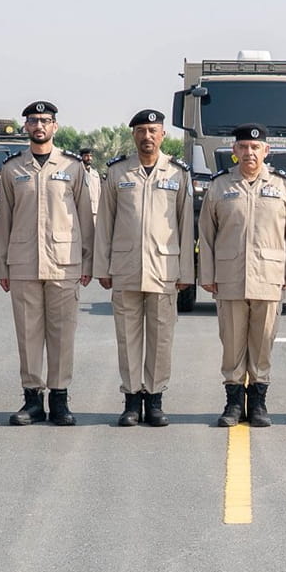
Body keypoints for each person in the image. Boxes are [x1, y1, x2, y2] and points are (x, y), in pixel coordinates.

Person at [198, 123, 286, 428]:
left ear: (266, 150)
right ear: (234, 150)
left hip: (269, 277)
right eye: (243, 147)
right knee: (232, 343)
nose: (249, 153)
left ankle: (258, 402)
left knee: (262, 342)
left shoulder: (284, 186)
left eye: (255, 147)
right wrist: (207, 274)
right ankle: (233, 403)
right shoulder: (219, 186)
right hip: (230, 276)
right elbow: (206, 234)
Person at [0, 101, 93, 427]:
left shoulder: (73, 167)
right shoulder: (12, 169)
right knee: (28, 334)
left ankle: (60, 399)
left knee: (62, 334)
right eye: (34, 120)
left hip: (64, 263)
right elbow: (3, 221)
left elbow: (85, 217)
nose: (39, 126)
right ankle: (32, 400)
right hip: (23, 262)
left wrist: (87, 261)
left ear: (55, 126)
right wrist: (2, 267)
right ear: (25, 126)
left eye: (45, 120)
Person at [96, 109, 193, 427]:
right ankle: (131, 401)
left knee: (161, 338)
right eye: (141, 130)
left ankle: (154, 400)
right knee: (128, 338)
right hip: (126, 267)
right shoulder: (118, 172)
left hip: (164, 268)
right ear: (133, 135)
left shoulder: (178, 172)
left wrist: (186, 271)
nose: (147, 136)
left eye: (153, 130)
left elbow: (186, 224)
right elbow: (105, 222)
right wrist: (103, 267)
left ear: (163, 135)